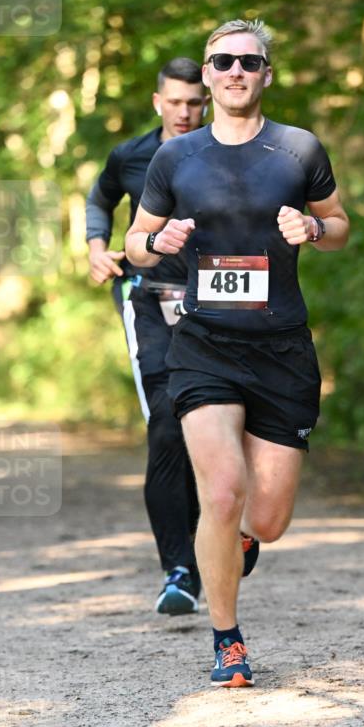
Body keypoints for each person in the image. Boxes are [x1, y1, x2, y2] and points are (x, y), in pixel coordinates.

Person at [126, 19, 349, 687]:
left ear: (265, 74)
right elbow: (135, 242)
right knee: (220, 493)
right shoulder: (176, 159)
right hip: (203, 345)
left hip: (281, 348)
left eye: (248, 62)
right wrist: (156, 244)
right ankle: (226, 639)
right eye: (221, 61)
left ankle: (243, 542)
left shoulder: (297, 150)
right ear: (206, 72)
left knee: (269, 519)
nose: (234, 71)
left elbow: (340, 226)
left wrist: (312, 226)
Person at [87, 58, 210, 615]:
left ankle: (222, 538)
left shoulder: (225, 150)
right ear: (158, 101)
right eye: (175, 102)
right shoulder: (131, 155)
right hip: (148, 301)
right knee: (167, 423)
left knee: (216, 426)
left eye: (194, 102)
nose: (185, 112)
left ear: (205, 102)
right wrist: (95, 246)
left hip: (218, 305)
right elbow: (100, 198)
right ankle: (180, 568)